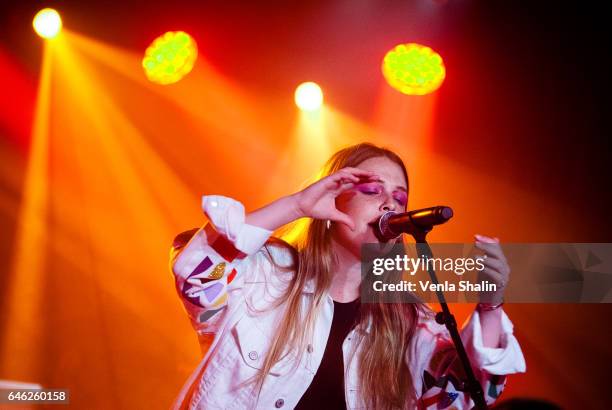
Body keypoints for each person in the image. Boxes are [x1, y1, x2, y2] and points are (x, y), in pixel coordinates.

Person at [169, 143, 526, 409]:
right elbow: (198, 278)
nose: (390, 204)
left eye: (400, 198)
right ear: (334, 199)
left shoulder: (407, 320)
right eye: (373, 190)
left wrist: (490, 305)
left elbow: (465, 393)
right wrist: (295, 206)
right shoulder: (267, 275)